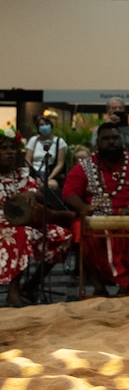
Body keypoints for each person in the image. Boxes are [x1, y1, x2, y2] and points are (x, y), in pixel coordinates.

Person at [63, 122, 129, 296]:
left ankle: (126, 287)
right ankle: (99, 287)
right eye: (106, 139)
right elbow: (69, 193)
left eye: (115, 137)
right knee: (77, 229)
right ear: (97, 143)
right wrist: (84, 207)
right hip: (96, 218)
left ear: (121, 139)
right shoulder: (85, 166)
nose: (111, 142)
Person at [0, 127, 72, 306]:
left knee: (62, 236)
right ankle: (13, 291)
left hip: (25, 222)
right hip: (4, 225)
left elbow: (39, 194)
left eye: (12, 148)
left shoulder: (21, 174)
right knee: (20, 235)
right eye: (4, 149)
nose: (10, 152)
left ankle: (30, 287)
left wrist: (33, 194)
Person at [24, 114, 68, 196]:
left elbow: (60, 163)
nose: (44, 127)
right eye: (41, 125)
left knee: (50, 185)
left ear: (51, 126)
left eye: (46, 124)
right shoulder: (33, 140)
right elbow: (27, 160)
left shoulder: (59, 141)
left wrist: (49, 178)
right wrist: (32, 175)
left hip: (51, 174)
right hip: (34, 173)